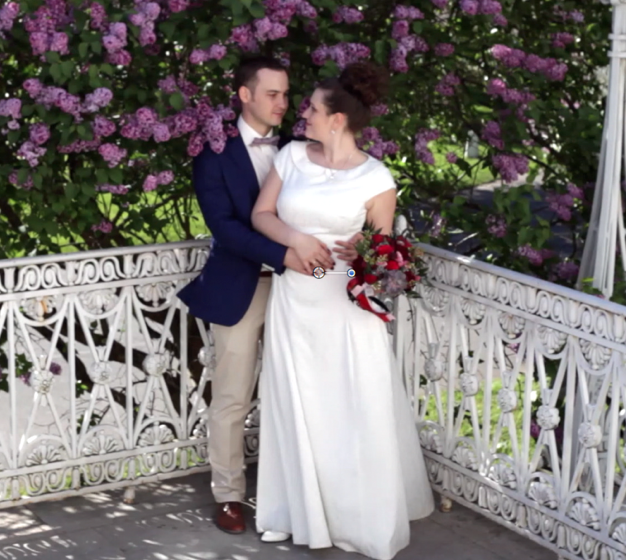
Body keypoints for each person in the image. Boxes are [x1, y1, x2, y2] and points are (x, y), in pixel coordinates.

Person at [250, 62, 435, 559]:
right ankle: (296, 513)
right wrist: (297, 239)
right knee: (298, 404)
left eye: (312, 108)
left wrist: (364, 254)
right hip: (297, 292)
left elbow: (384, 253)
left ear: (337, 120)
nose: (302, 114)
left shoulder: (376, 179)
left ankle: (356, 519)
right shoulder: (291, 156)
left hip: (344, 301)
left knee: (349, 407)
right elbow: (261, 214)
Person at [177, 56, 359, 536]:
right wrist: (285, 254)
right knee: (233, 395)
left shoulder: (302, 149)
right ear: (245, 95)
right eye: (273, 94)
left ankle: (310, 495)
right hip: (245, 287)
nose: (284, 103)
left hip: (303, 290)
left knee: (306, 390)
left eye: (286, 94)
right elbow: (225, 228)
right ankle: (229, 495)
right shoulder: (213, 154)